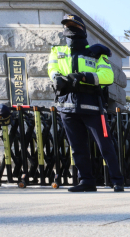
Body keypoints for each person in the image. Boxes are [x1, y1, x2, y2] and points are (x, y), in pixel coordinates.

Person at [47, 14, 124, 192]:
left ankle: (117, 180)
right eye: (66, 25)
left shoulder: (96, 53)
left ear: (82, 28)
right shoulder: (57, 51)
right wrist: (56, 78)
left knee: (106, 145)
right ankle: (86, 181)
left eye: (73, 25)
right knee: (77, 147)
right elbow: (52, 68)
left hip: (93, 106)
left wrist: (84, 77)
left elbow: (108, 77)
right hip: (67, 105)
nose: (69, 28)